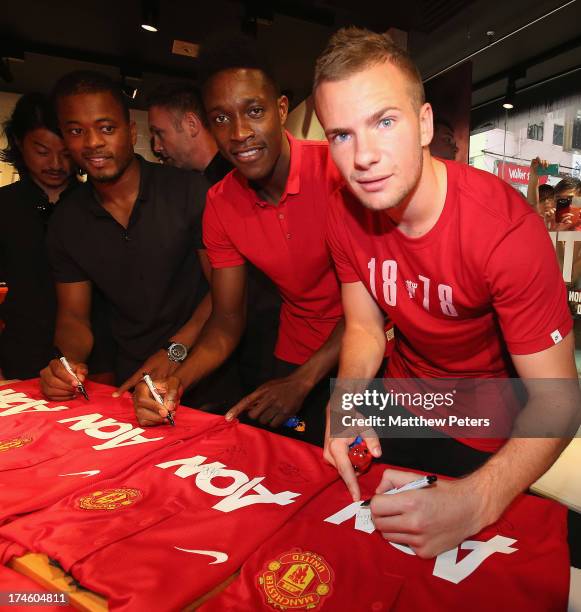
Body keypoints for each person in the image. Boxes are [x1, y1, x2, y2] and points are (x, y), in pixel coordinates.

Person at [313, 27, 579, 558]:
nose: (363, 156)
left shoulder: (505, 231)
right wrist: (346, 403)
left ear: (425, 124)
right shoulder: (343, 210)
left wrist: (476, 503)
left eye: (384, 122)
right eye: (341, 134)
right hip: (397, 394)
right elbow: (365, 327)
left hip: (482, 418)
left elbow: (560, 400)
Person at [133, 36, 344, 446]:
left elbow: (372, 306)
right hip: (294, 351)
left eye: (254, 111)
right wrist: (174, 382)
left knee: (367, 479)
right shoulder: (220, 202)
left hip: (366, 353)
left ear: (281, 109)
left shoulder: (337, 170)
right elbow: (227, 322)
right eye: (222, 118)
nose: (240, 132)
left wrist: (303, 382)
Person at [38, 70, 215, 405]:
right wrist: (66, 364)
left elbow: (224, 295)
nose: (92, 143)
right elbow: (74, 317)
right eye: (77, 131)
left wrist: (175, 352)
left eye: (106, 128)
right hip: (132, 385)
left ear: (131, 132)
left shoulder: (189, 191)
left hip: (207, 375)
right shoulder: (66, 220)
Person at [147, 82, 281, 393]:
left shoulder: (242, 180)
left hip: (272, 340)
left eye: (160, 133)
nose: (156, 146)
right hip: (232, 346)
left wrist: (176, 352)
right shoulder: (199, 189)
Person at [0, 93, 75, 380]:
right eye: (42, 151)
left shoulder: (95, 205)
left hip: (92, 361)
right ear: (19, 142)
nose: (55, 163)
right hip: (21, 358)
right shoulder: (5, 206)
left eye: (66, 153)